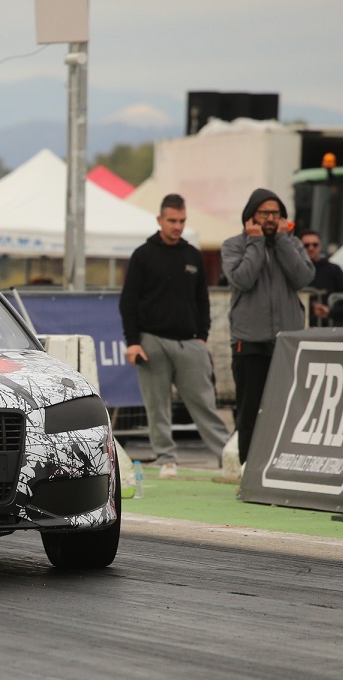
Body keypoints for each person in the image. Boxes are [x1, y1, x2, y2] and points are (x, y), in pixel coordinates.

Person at [120, 194, 231, 477]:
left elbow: (202, 300)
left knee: (204, 403)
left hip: (190, 342)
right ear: (160, 220)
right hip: (151, 341)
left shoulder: (192, 254)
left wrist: (202, 336)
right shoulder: (143, 255)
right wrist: (133, 342)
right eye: (172, 220)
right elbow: (128, 302)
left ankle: (228, 456)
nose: (177, 226)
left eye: (182, 221)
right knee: (157, 405)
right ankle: (166, 458)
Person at [222, 188, 315, 465]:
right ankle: (248, 466)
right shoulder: (234, 245)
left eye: (276, 213)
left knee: (288, 408)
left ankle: (283, 465)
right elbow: (242, 279)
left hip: (287, 341)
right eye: (264, 213)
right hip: (249, 340)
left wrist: (283, 241)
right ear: (251, 217)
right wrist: (255, 243)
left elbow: (303, 277)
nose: (271, 219)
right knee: (249, 410)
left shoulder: (292, 244)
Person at [300, 229, 343, 327]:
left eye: (315, 245)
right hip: (301, 325)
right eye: (306, 245)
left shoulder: (334, 270)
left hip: (329, 325)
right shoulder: (294, 270)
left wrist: (330, 310)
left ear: (320, 246)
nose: (311, 248)